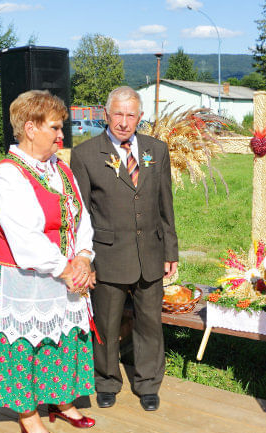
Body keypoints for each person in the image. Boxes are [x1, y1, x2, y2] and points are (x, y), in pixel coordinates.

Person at [0, 90, 96, 433]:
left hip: (62, 270)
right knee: (23, 344)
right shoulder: (7, 175)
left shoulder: (59, 168)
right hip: (23, 276)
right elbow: (25, 240)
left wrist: (84, 256)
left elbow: (82, 217)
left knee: (61, 336)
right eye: (55, 128)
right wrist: (68, 269)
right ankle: (27, 413)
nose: (61, 135)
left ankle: (62, 399)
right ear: (30, 128)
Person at [71, 86, 178, 412]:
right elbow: (81, 212)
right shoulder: (87, 154)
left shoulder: (156, 151)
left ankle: (148, 384)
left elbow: (165, 204)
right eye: (117, 114)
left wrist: (170, 251)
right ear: (106, 115)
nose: (123, 121)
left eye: (131, 115)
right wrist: (84, 260)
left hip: (150, 253)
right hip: (108, 255)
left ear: (140, 117)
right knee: (106, 323)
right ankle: (106, 381)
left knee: (149, 323)